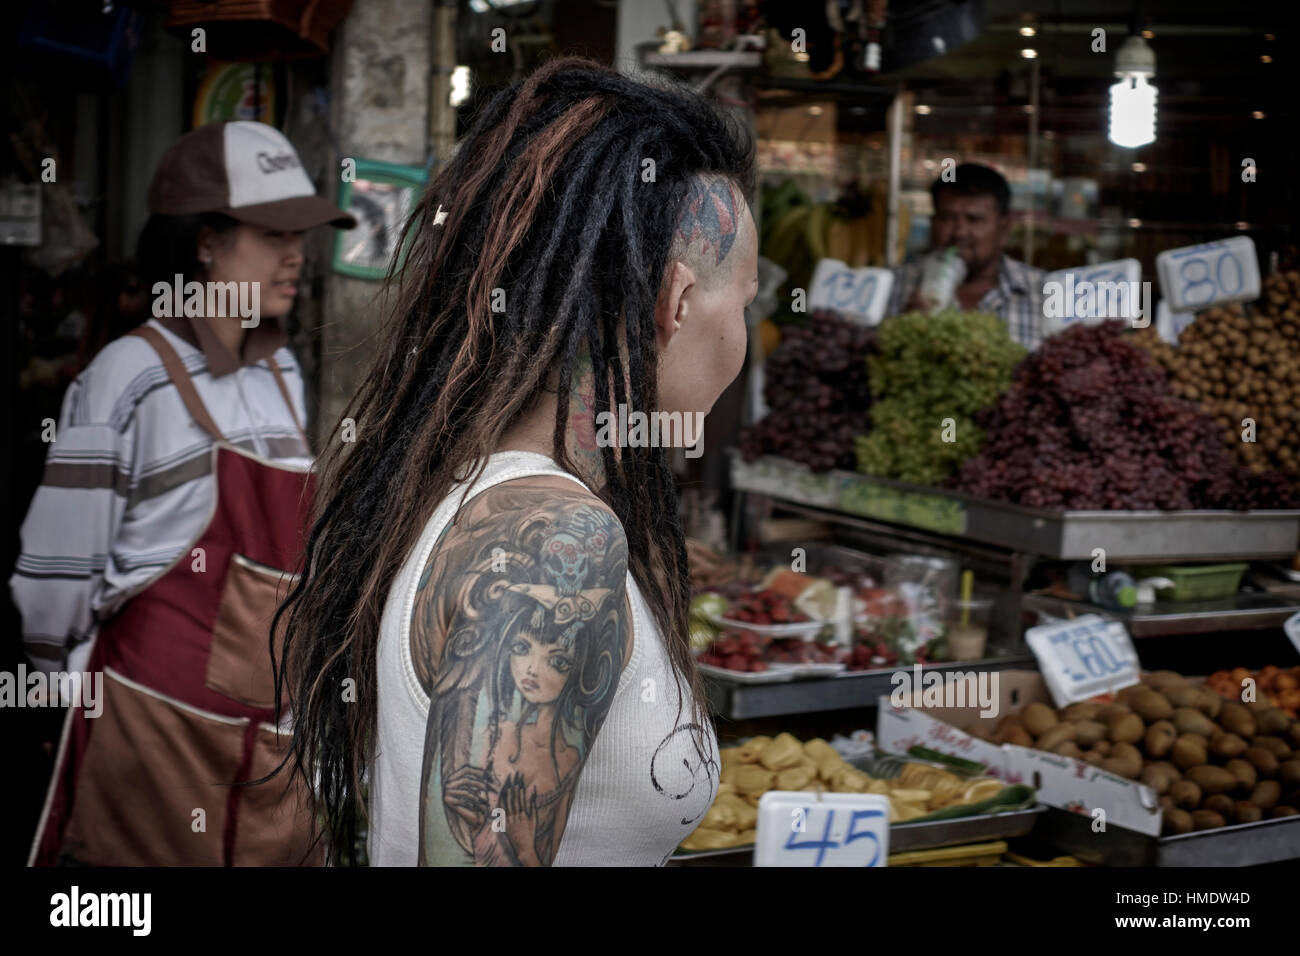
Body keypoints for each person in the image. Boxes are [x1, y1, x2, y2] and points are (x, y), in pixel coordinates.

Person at [276, 56, 759, 867]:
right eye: (743, 305)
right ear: (677, 303)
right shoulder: (556, 540)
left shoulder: (473, 478)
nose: (742, 338)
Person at [19, 120, 356, 866]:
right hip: (149, 725)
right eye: (272, 233)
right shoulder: (127, 376)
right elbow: (54, 576)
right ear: (205, 242)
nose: (296, 253)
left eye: (302, 233)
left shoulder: (282, 376)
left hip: (267, 735)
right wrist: (57, 692)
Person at [886, 162, 1046, 348]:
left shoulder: (1045, 294)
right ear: (933, 222)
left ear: (1004, 228)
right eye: (947, 218)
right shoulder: (892, 287)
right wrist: (901, 333)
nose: (959, 232)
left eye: (974, 219)